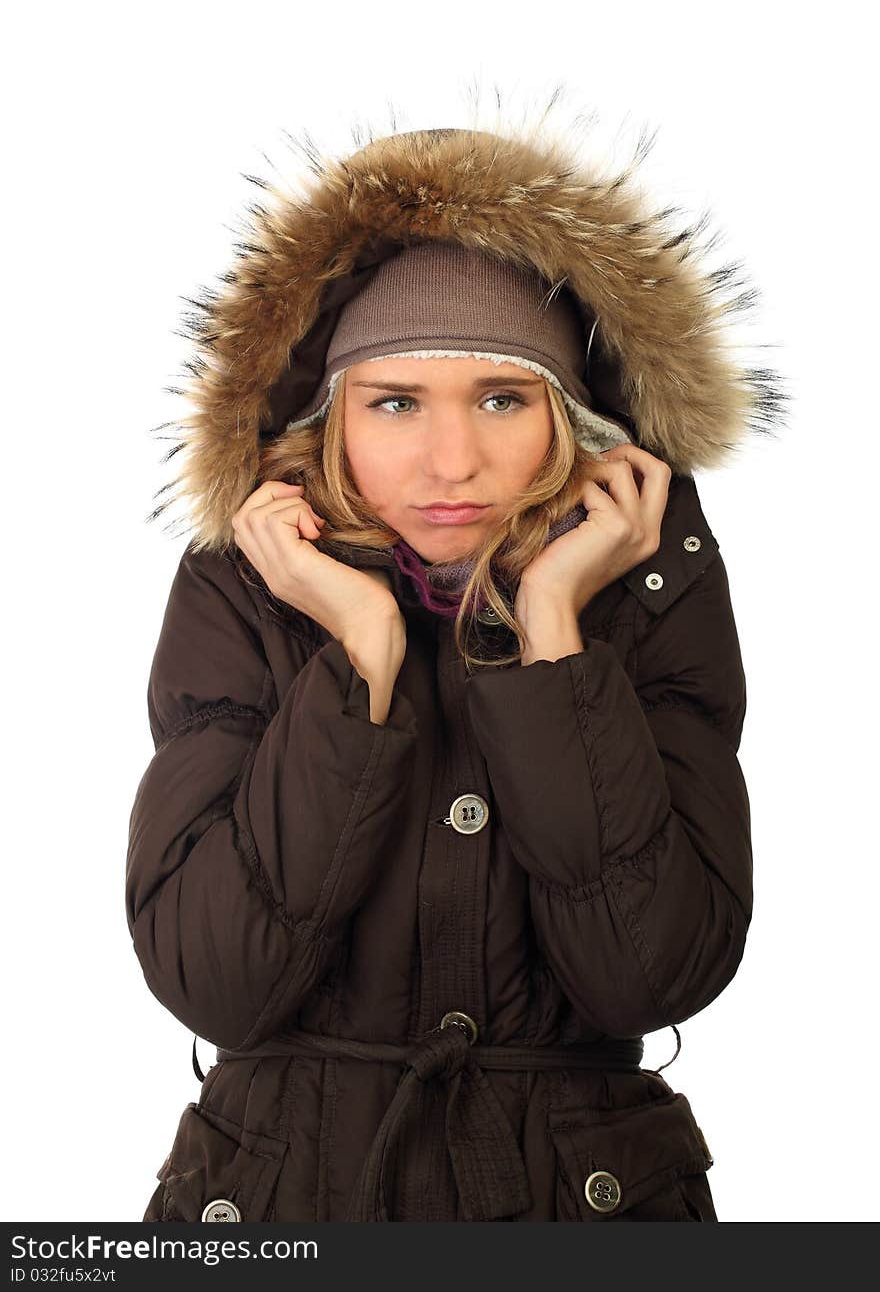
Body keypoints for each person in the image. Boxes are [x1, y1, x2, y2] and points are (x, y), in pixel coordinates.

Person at [127, 120, 789, 1223]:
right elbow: (218, 981)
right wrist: (361, 653)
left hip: (584, 1199)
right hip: (285, 1198)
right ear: (328, 416)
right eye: (394, 402)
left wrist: (551, 631)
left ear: (567, 418)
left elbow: (650, 970)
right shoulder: (246, 589)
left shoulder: (646, 589)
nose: (451, 463)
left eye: (500, 398)